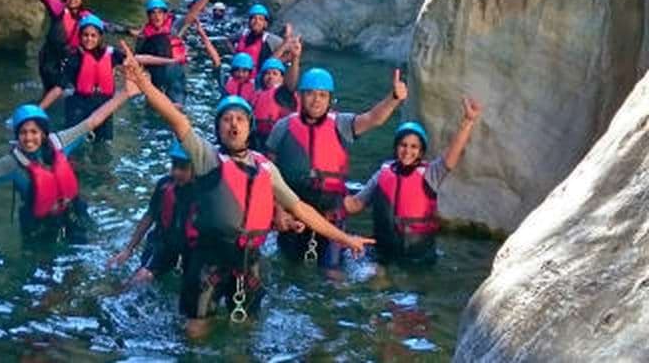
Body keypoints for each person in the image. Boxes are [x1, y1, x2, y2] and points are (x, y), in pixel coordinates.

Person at [118, 41, 373, 337]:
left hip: (249, 263)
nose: (233, 125)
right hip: (209, 260)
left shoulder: (265, 167)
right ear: (219, 128)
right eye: (227, 120)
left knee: (248, 334)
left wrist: (346, 238)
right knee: (196, 331)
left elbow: (302, 209)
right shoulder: (208, 159)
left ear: (249, 127)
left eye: (239, 119)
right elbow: (177, 120)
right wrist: (144, 84)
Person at [0, 84, 138, 244]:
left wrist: (125, 93)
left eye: (34, 132)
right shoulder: (12, 163)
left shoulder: (60, 141)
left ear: (43, 133)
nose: (29, 138)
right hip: (39, 223)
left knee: (79, 257)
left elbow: (94, 120)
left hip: (72, 211)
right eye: (23, 133)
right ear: (17, 136)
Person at [265, 68, 408, 277]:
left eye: (322, 95)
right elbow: (268, 175)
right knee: (290, 272)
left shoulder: (341, 124)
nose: (316, 100)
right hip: (295, 217)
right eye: (311, 93)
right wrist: (279, 211)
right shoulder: (282, 127)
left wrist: (393, 98)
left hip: (332, 215)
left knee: (332, 273)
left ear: (330, 99)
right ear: (300, 96)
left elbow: (373, 118)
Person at [344, 98, 482, 265]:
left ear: (421, 151)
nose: (407, 151)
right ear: (396, 147)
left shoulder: (431, 174)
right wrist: (318, 209)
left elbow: (451, 156)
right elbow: (355, 203)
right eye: (403, 145)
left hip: (419, 258)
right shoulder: (382, 174)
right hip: (384, 254)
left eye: (413, 147)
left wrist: (468, 121)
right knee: (377, 282)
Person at [38, 14, 174, 142]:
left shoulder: (111, 54)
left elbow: (139, 58)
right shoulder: (74, 59)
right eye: (85, 35)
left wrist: (169, 61)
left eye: (93, 35)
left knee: (103, 145)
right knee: (76, 145)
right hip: (78, 107)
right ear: (80, 37)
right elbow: (58, 88)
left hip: (105, 106)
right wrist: (39, 109)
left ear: (100, 37)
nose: (89, 39)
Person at [11, 0, 130, 93]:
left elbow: (108, 26)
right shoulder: (58, 8)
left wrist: (129, 31)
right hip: (49, 59)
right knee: (51, 90)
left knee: (72, 88)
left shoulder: (86, 17)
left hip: (68, 59)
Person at [107, 140, 195, 285]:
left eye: (183, 168)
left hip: (190, 248)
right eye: (174, 165)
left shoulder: (206, 193)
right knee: (140, 278)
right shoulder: (164, 186)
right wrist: (129, 249)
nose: (175, 172)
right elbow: (149, 216)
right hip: (163, 242)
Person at [134, 0, 219, 105]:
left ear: (165, 14)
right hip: (156, 79)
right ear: (148, 16)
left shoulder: (174, 27)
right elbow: (138, 63)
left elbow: (193, 13)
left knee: (177, 109)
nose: (157, 16)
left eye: (159, 12)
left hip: (175, 78)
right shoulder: (143, 36)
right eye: (153, 13)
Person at [252, 37, 301, 151]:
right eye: (267, 74)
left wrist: (295, 59)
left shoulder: (283, 93)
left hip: (281, 140)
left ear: (282, 78)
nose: (270, 76)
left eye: (275, 74)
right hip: (260, 138)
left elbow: (291, 84)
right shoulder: (257, 93)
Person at [229, 4, 289, 77]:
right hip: (238, 74)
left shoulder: (270, 39)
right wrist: (234, 54)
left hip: (257, 77)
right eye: (254, 18)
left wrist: (276, 63)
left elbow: (288, 51)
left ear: (265, 24)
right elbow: (228, 41)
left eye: (260, 19)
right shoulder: (243, 34)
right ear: (249, 21)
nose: (256, 21)